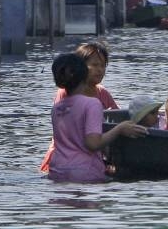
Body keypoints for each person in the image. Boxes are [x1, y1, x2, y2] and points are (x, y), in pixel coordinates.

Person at [44, 53, 146, 182]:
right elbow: (93, 143)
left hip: (56, 171)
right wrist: (120, 129)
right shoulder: (92, 104)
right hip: (84, 172)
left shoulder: (57, 108)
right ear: (85, 75)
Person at [40, 41, 120, 174]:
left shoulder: (102, 93)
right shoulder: (66, 95)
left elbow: (118, 117)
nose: (100, 70)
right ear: (79, 67)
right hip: (77, 159)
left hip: (67, 163)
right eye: (95, 65)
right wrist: (120, 129)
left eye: (103, 65)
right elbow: (88, 140)